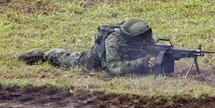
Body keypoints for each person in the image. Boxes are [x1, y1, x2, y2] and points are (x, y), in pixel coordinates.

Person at [17, 18, 159, 76]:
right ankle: (46, 54)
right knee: (69, 60)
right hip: (95, 59)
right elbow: (113, 68)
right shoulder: (113, 41)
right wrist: (141, 62)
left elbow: (155, 48)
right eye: (140, 39)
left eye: (145, 37)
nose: (144, 41)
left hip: (123, 58)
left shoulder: (146, 38)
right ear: (130, 37)